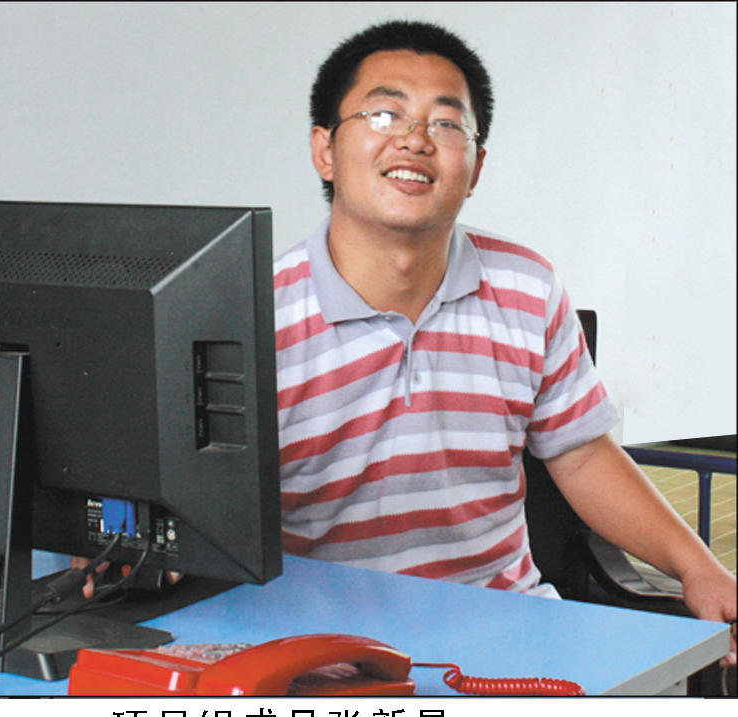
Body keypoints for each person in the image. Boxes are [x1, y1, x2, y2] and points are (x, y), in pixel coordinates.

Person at [275, 20, 735, 664]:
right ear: (325, 150)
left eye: (446, 124)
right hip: (319, 656)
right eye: (384, 114)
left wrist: (698, 568)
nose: (415, 139)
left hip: (510, 635)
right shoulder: (257, 312)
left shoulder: (527, 286)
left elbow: (582, 456)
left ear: (476, 167)